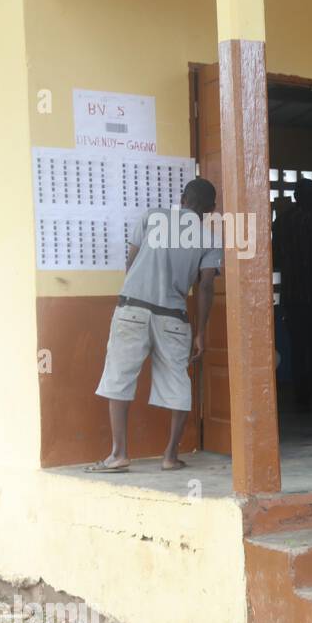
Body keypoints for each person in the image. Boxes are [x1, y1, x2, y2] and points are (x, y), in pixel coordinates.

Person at [88, 178, 221, 473]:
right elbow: (207, 286)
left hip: (132, 309)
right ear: (212, 209)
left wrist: (134, 291)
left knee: (118, 379)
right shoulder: (210, 238)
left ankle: (119, 454)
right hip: (173, 317)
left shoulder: (152, 216)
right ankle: (170, 456)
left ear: (182, 198)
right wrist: (200, 332)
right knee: (178, 384)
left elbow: (131, 262)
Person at [273, 176, 312, 412]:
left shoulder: (281, 222)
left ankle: (300, 398)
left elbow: (274, 258)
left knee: (298, 347)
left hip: (291, 293)